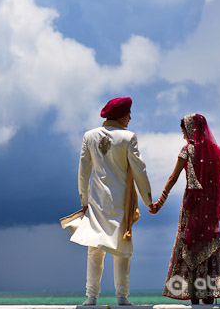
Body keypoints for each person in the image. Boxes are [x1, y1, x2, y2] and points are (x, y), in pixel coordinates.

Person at [150, 113, 220, 304]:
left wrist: (159, 203)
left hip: (192, 207)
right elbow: (219, 180)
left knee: (189, 246)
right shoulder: (218, 151)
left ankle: (194, 301)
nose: (184, 136)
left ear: (190, 129)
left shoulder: (187, 150)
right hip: (210, 209)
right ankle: (208, 297)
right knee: (209, 246)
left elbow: (172, 178)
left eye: (184, 131)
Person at [72, 97, 153, 306]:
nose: (130, 118)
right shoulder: (128, 137)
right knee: (122, 247)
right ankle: (122, 296)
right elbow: (139, 170)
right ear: (120, 115)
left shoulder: (89, 136)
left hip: (97, 199)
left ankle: (91, 297)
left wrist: (83, 199)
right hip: (121, 199)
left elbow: (83, 171)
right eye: (128, 114)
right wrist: (148, 200)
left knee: (94, 248)